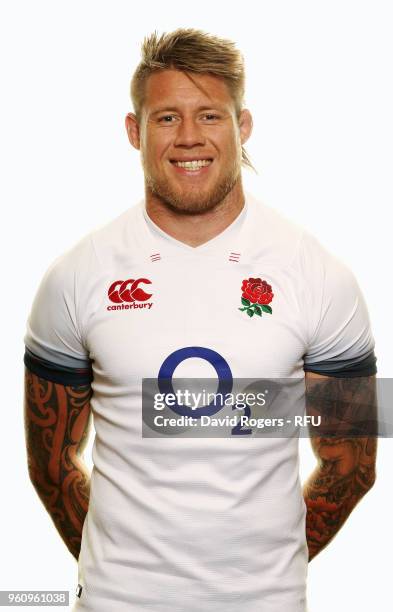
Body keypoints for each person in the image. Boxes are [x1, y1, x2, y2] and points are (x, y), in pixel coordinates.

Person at [23, 28, 377, 612]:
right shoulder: (75, 276)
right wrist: (126, 576)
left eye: (209, 115)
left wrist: (260, 576)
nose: (189, 137)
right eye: (166, 118)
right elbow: (50, 465)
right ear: (135, 131)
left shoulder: (318, 275)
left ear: (242, 127)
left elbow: (351, 467)